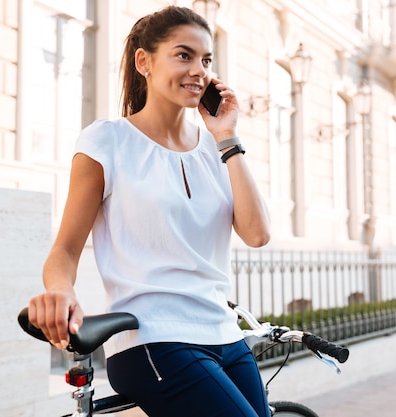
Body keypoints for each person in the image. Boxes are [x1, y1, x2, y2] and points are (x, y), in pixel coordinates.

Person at [27, 5, 271, 417]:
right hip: (152, 338)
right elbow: (66, 249)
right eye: (183, 55)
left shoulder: (218, 148)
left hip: (224, 334)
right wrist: (61, 293)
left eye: (206, 60)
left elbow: (257, 234)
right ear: (144, 61)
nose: (199, 70)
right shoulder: (108, 140)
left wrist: (227, 135)